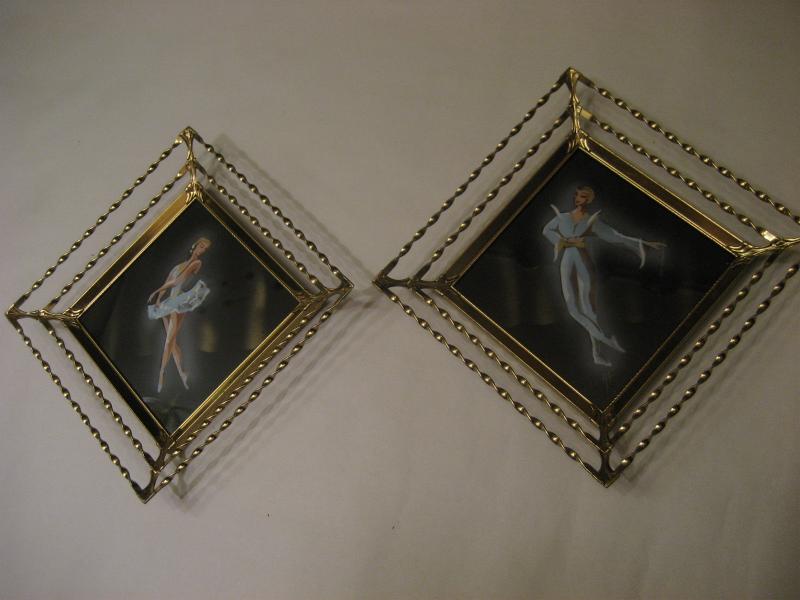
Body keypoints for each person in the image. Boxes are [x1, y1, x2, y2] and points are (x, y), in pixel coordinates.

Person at [542, 186, 665, 367]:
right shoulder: (564, 217)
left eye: (583, 196)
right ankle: (605, 339)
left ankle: (597, 354)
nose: (578, 199)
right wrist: (565, 241)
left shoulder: (592, 221)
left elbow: (616, 236)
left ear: (589, 200)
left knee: (588, 308)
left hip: (583, 260)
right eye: (577, 195)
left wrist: (642, 243)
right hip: (567, 260)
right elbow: (547, 230)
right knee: (572, 306)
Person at [147, 237, 211, 392]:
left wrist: (155, 292)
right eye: (201, 246)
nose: (202, 250)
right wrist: (159, 298)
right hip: (168, 303)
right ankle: (183, 373)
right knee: (172, 342)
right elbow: (167, 282)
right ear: (195, 245)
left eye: (204, 249)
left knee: (169, 341)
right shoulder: (178, 266)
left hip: (179, 302)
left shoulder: (197, 263)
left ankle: (161, 374)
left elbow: (177, 282)